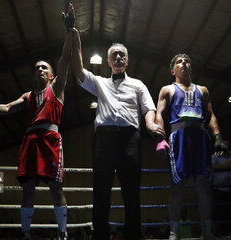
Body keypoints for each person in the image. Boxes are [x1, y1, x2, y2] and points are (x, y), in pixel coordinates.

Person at [67, 7, 165, 240]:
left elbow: (148, 109)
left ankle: (133, 236)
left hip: (130, 139)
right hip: (103, 140)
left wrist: (150, 125)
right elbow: (78, 69)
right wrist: (73, 32)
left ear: (127, 60)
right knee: (101, 190)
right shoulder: (99, 82)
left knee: (131, 191)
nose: (119, 57)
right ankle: (100, 235)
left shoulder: (139, 85)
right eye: (115, 55)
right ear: (109, 61)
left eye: (122, 54)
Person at [0, 6, 74, 239]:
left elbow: (65, 59)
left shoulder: (57, 88)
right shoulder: (28, 95)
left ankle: (63, 233)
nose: (40, 69)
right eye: (36, 68)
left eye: (44, 67)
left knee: (55, 187)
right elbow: (8, 108)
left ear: (52, 75)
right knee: (28, 190)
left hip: (50, 140)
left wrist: (70, 30)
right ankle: (25, 234)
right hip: (30, 140)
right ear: (33, 75)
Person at [155, 53, 226, 240]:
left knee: (203, 184)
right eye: (179, 62)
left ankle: (207, 231)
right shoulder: (167, 90)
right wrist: (160, 138)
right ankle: (174, 232)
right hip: (179, 136)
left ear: (191, 68)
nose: (184, 63)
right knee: (178, 185)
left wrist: (217, 135)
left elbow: (210, 114)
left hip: (201, 136)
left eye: (187, 61)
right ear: (173, 71)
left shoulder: (203, 90)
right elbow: (159, 114)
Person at [212, 140, 231, 237]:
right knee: (219, 212)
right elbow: (210, 167)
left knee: (229, 211)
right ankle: (219, 232)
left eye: (227, 143)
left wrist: (218, 167)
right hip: (218, 188)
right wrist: (225, 166)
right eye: (224, 143)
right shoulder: (214, 156)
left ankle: (228, 232)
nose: (226, 145)